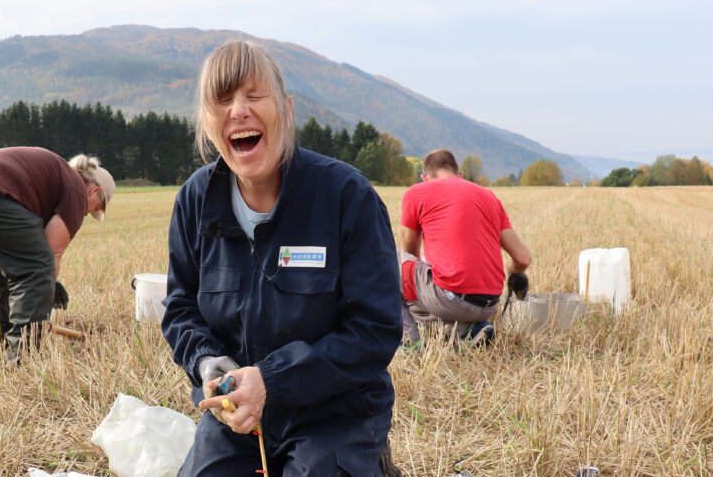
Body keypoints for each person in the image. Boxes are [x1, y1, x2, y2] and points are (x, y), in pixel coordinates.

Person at [162, 40, 402, 476]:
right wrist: (207, 363)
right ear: (207, 122)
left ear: (286, 109)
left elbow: (376, 329)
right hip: (239, 414)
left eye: (254, 96)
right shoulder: (195, 200)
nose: (238, 111)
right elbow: (180, 308)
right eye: (223, 100)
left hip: (336, 411)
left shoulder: (346, 196)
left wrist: (272, 379)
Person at [0, 147, 114, 363]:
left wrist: (42, 290)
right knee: (36, 270)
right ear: (94, 191)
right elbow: (49, 254)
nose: (87, 213)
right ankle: (23, 357)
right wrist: (43, 295)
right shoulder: (76, 189)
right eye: (95, 208)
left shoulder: (58, 175)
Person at [398, 149, 532, 347]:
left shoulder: (417, 192)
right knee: (423, 294)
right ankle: (465, 331)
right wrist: (514, 272)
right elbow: (523, 258)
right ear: (459, 174)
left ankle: (408, 344)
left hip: (450, 300)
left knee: (389, 260)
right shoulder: (490, 197)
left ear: (424, 178)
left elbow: (411, 257)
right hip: (488, 305)